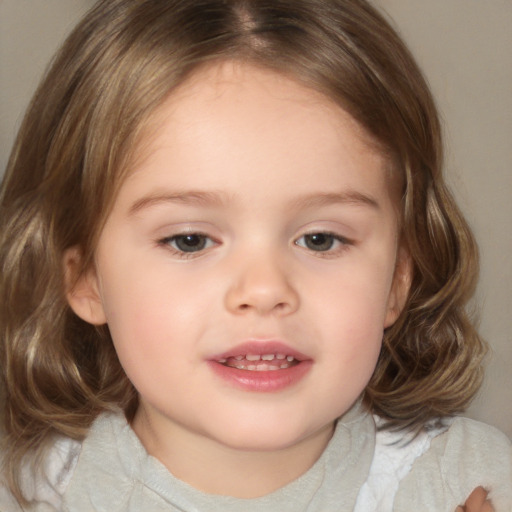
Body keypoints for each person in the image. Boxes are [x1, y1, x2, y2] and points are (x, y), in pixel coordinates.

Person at [0, 0, 510, 510]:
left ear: (398, 279)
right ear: (86, 278)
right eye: (190, 240)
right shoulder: (28, 495)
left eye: (320, 239)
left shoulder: (462, 483)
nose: (265, 289)